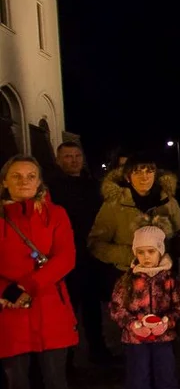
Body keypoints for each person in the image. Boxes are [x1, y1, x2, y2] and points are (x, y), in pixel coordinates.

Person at [0, 156, 80, 389]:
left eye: (30, 176)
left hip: (48, 304)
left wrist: (28, 286)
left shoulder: (55, 214)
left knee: (55, 374)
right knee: (17, 378)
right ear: (5, 181)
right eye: (16, 176)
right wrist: (7, 291)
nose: (24, 181)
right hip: (10, 309)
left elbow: (66, 257)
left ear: (39, 182)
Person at [108, 226, 180, 389]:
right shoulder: (127, 281)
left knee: (166, 379)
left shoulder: (169, 279)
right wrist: (132, 324)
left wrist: (169, 320)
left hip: (163, 340)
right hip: (135, 342)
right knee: (139, 381)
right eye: (141, 252)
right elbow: (117, 308)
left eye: (151, 252)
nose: (146, 257)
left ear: (160, 251)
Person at [89, 154, 180, 298]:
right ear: (128, 177)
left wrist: (171, 252)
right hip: (129, 280)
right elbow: (96, 244)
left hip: (163, 279)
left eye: (149, 171)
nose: (144, 177)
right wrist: (132, 256)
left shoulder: (167, 201)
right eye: (137, 172)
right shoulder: (114, 205)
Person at [47, 141, 108, 362]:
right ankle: (67, 357)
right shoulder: (51, 188)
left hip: (90, 255)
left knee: (93, 307)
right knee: (67, 308)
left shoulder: (93, 185)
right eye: (68, 157)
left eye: (77, 156)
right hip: (64, 257)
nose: (73, 161)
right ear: (58, 160)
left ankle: (98, 349)